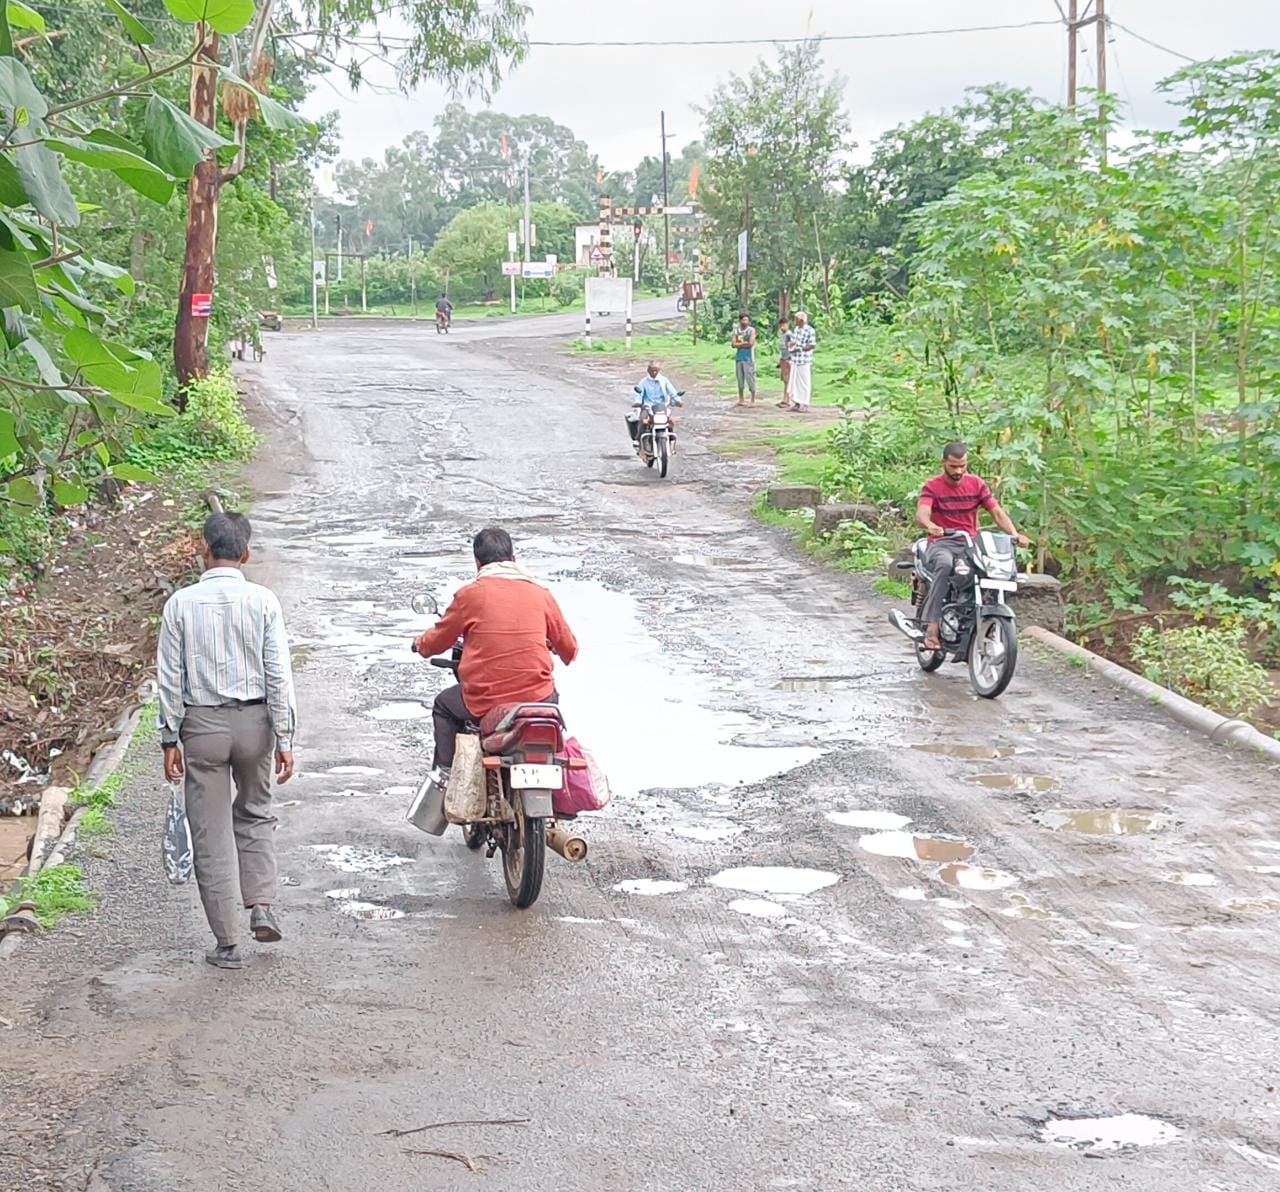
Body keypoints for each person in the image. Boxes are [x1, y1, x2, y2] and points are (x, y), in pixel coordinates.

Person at [157, 512, 297, 971]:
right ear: (246, 553)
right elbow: (279, 674)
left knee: (210, 833)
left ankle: (227, 944)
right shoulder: (263, 601)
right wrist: (285, 736)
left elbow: (170, 678)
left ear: (203, 549)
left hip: (202, 728)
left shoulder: (180, 604)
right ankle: (261, 905)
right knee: (256, 812)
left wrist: (169, 737)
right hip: (256, 724)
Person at [413, 528, 578, 790]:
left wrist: (419, 644)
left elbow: (437, 641)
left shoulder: (469, 596)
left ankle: (444, 777)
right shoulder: (541, 594)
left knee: (443, 707)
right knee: (552, 703)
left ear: (477, 562)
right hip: (540, 698)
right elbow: (569, 650)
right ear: (513, 558)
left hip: (486, 700)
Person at [916, 442, 1029, 651]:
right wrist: (930, 526)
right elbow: (922, 513)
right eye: (953, 466)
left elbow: (997, 513)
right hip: (942, 543)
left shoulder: (976, 484)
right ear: (943, 463)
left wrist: (1014, 534)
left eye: (963, 466)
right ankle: (932, 626)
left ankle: (981, 616)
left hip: (969, 544)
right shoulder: (932, 486)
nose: (958, 471)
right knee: (945, 565)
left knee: (993, 570)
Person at [626, 361, 681, 448]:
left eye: (656, 371)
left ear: (659, 370)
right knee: (642, 419)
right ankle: (638, 439)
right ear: (648, 370)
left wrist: (678, 400)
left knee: (669, 419)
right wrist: (638, 402)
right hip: (648, 406)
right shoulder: (644, 382)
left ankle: (671, 437)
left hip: (661, 406)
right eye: (652, 371)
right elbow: (639, 394)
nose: (654, 373)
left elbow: (672, 392)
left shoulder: (664, 381)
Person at [788, 311, 816, 411]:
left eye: (796, 320)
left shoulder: (810, 330)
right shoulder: (796, 329)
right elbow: (794, 341)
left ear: (801, 320)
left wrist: (800, 348)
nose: (795, 321)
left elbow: (812, 345)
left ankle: (804, 404)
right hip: (795, 360)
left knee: (804, 383)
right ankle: (796, 403)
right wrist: (791, 345)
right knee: (794, 383)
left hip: (804, 360)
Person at [731, 312, 757, 407]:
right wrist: (743, 344)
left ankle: (753, 399)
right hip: (739, 358)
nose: (745, 322)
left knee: (750, 378)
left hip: (748, 358)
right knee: (740, 378)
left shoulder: (751, 330)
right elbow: (733, 344)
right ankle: (741, 398)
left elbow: (750, 343)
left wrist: (739, 344)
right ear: (740, 321)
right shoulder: (736, 331)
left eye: (747, 320)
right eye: (744, 320)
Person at [775, 317, 794, 409]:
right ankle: (785, 399)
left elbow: (792, 347)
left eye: (784, 324)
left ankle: (787, 399)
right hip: (783, 358)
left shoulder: (789, 334)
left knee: (788, 379)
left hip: (788, 359)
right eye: (781, 325)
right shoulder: (781, 335)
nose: (782, 326)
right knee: (785, 380)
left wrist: (789, 359)